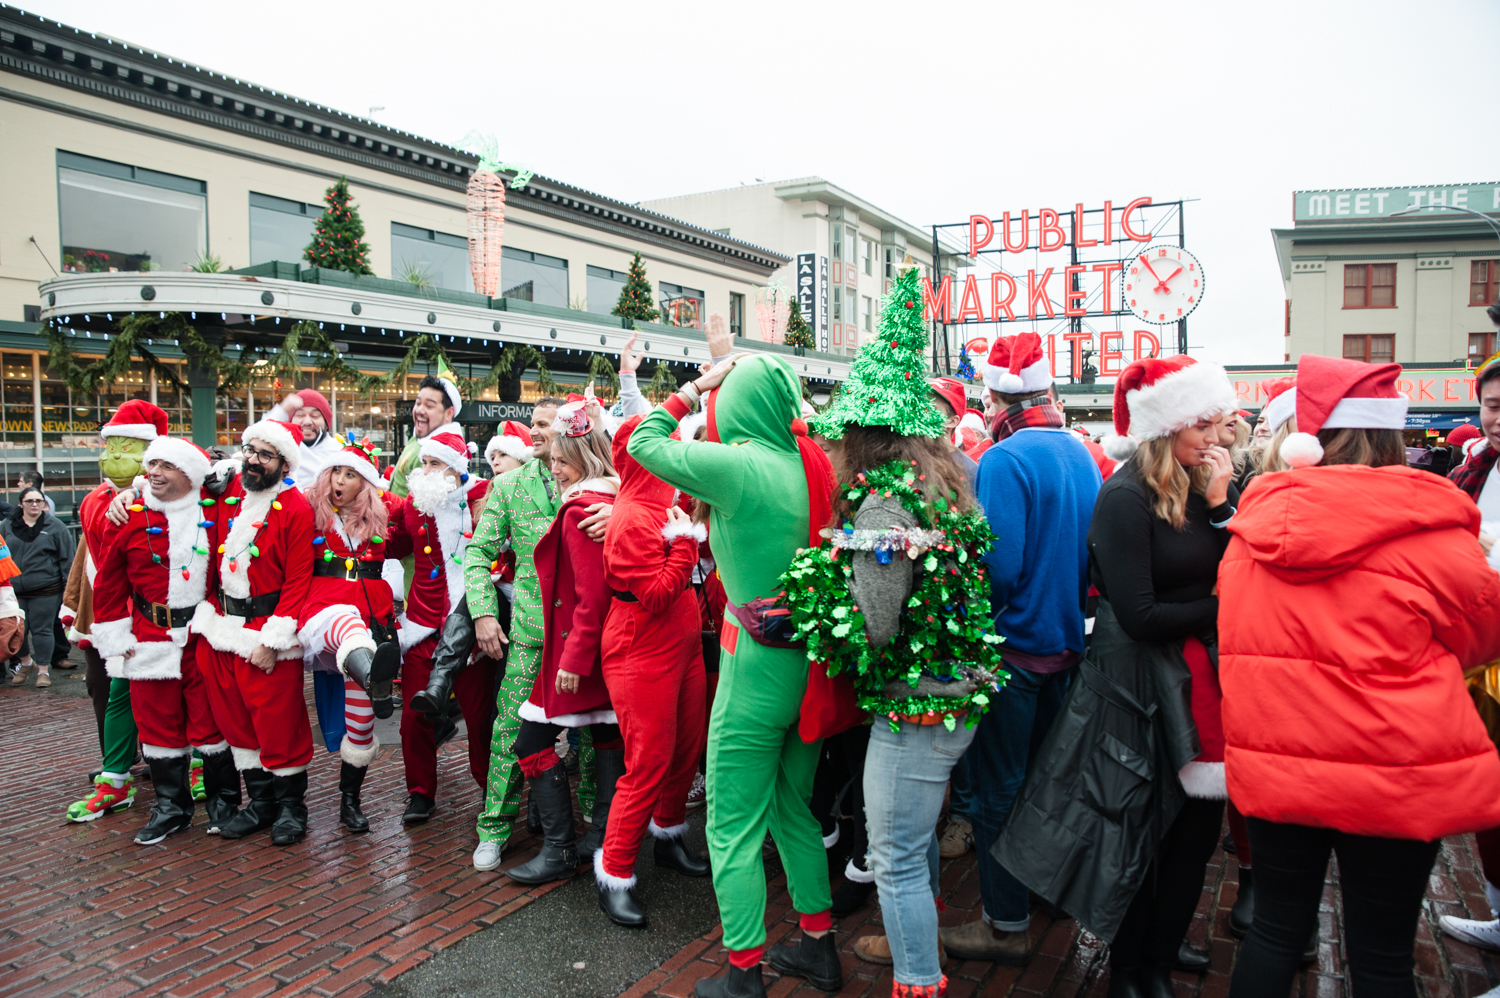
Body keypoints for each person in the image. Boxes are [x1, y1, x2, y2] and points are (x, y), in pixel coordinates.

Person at [1221, 353, 1500, 997]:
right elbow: (1484, 639)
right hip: (1394, 771)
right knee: (1381, 958)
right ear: (1388, 435)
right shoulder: (1433, 531)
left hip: (1280, 762)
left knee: (1274, 934)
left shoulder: (1251, 527)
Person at [786, 272, 1006, 998]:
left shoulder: (883, 509)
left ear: (863, 435)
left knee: (896, 858)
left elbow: (873, 626)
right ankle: (923, 944)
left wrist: (813, 601)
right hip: (956, 698)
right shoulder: (949, 484)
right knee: (915, 847)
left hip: (916, 707)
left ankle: (917, 978)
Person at [993, 354, 1238, 998]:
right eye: (1203, 425)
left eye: (1217, 425)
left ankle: (1160, 950)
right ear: (1167, 425)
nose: (1215, 438)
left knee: (1194, 835)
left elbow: (1239, 559)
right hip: (1139, 691)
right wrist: (1229, 605)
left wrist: (1220, 507)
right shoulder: (1126, 495)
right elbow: (1141, 612)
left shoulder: (1200, 486)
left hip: (1198, 685)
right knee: (1143, 835)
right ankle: (1132, 966)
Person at [628, 353, 843, 998]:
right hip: (810, 665)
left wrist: (691, 389)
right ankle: (818, 946)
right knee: (791, 809)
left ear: (735, 402)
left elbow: (642, 443)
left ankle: (744, 973)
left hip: (754, 667)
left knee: (730, 822)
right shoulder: (814, 466)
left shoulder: (741, 466)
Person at [941, 332, 1102, 964]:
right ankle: (1047, 894)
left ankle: (1005, 923)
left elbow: (998, 568)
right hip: (1066, 645)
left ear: (996, 397)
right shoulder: (1081, 452)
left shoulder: (1007, 460)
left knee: (997, 792)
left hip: (1013, 653)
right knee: (1046, 783)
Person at [448, 396, 612, 871]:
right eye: (534, 424)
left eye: (547, 424)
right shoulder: (508, 486)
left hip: (586, 638)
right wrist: (482, 612)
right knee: (511, 733)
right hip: (530, 636)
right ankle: (495, 827)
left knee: (593, 737)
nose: (538, 431)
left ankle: (588, 835)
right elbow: (477, 554)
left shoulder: (598, 486)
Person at [88, 437, 237, 845]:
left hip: (201, 637)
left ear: (188, 474)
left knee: (211, 724)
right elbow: (109, 582)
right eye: (149, 464)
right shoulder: (128, 515)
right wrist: (114, 637)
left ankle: (224, 803)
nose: (153, 472)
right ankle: (171, 808)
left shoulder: (217, 507)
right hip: (148, 638)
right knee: (156, 727)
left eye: (165, 466)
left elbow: (252, 476)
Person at [593, 415, 709, 926]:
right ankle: (614, 870)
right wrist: (686, 541)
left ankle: (668, 835)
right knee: (648, 761)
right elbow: (658, 594)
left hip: (679, 639)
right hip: (642, 645)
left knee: (686, 747)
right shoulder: (633, 516)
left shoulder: (663, 502)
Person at [505, 406, 623, 885]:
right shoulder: (597, 500)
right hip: (596, 649)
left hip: (576, 650)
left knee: (530, 741)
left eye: (561, 459)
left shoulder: (580, 508)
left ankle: (560, 851)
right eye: (551, 459)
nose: (552, 468)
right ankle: (597, 843)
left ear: (583, 455)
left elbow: (591, 594)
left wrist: (572, 658)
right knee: (606, 739)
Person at [189, 418, 317, 846]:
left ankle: (290, 809)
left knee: (279, 725)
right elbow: (172, 485)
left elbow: (299, 581)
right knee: (237, 725)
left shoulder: (296, 509)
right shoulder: (230, 498)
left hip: (267, 633)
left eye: (266, 454)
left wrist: (273, 640)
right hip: (222, 628)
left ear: (284, 463)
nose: (255, 461)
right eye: (251, 451)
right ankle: (260, 804)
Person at [384, 430, 497, 826]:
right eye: (423, 463)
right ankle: (419, 793)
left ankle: (489, 789)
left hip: (471, 627)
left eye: (433, 463)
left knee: (480, 718)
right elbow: (391, 544)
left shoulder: (484, 495)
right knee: (413, 719)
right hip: (422, 626)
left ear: (456, 466)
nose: (425, 471)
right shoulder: (416, 504)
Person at [61, 401, 166, 821]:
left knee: (178, 694)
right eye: (110, 446)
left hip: (168, 615)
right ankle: (116, 774)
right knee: (113, 691)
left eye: (126, 446)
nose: (112, 455)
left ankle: (184, 765)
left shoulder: (172, 491)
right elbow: (105, 557)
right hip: (119, 613)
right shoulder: (96, 501)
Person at [297, 436, 403, 832]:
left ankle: (349, 800)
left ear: (366, 483)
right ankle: (374, 670)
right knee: (345, 622)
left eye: (351, 474)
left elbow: (431, 509)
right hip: (323, 609)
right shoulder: (308, 509)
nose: (340, 481)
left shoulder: (383, 514)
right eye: (336, 471)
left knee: (361, 723)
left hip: (371, 613)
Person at [7, 486, 75, 689]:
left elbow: (68, 559)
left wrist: (69, 590)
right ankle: (27, 663)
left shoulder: (55, 526)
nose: (35, 505)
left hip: (46, 589)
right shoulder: (7, 525)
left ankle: (43, 672)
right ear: (21, 504)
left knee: (42, 631)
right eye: (30, 501)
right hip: (14, 590)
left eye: (39, 501)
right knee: (16, 632)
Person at [389, 366, 463, 499]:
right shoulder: (418, 438)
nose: (420, 410)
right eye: (418, 403)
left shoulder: (443, 454)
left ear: (449, 413)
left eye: (429, 406)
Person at [266, 388, 343, 485]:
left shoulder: (339, 452)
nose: (307, 422)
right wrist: (281, 411)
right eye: (300, 415)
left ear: (326, 423)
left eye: (315, 415)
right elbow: (260, 434)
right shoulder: (282, 446)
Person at [929, 377, 980, 485]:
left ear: (952, 421)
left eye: (932, 409)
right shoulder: (908, 457)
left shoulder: (969, 471)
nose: (923, 414)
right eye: (922, 407)